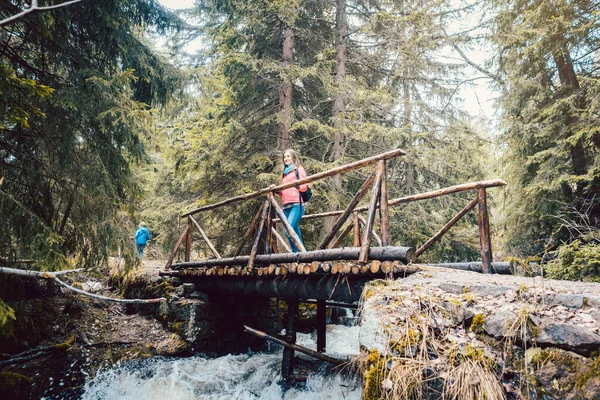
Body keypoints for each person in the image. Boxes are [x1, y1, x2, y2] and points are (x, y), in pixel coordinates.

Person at [276, 149, 309, 252]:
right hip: (286, 206)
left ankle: (296, 254)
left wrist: (297, 185)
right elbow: (283, 191)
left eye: (288, 156)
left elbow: (304, 186)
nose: (286, 159)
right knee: (294, 231)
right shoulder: (284, 174)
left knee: (288, 231)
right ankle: (303, 254)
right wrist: (276, 190)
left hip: (296, 204)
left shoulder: (298, 170)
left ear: (294, 158)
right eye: (284, 157)